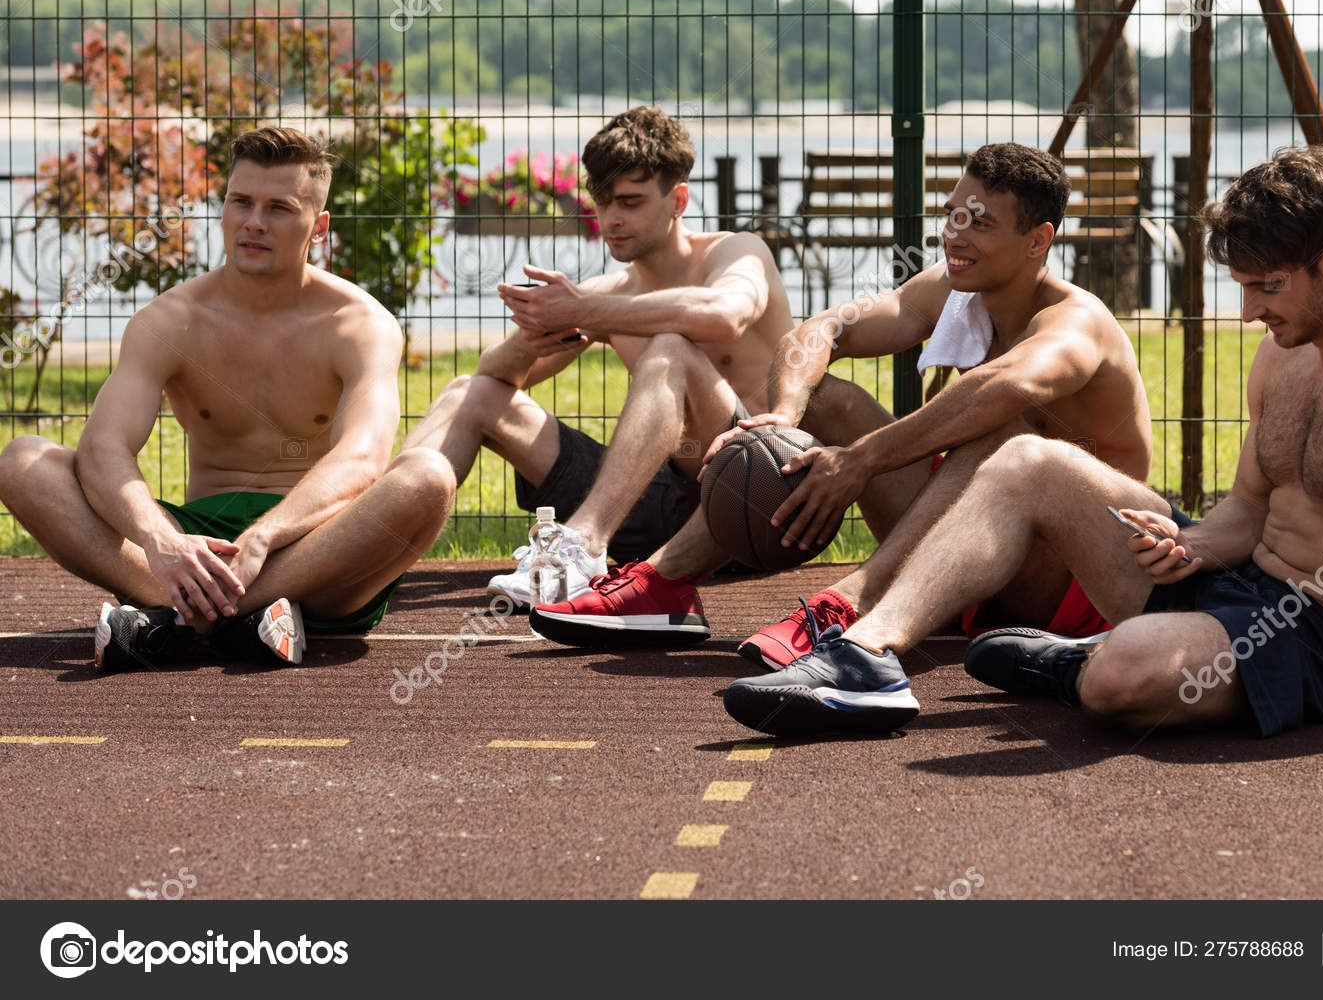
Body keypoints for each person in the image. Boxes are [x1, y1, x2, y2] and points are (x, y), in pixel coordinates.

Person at [722, 145, 1323, 736]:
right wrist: (1192, 544)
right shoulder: (1284, 353)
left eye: (1266, 287)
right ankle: (870, 656)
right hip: (1226, 581)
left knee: (1121, 680)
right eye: (1243, 288)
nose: (1250, 312)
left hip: (1309, 638)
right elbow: (1247, 507)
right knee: (1026, 458)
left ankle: (1087, 663)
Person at [544, 141, 1154, 663]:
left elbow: (1006, 387)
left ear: (1038, 241)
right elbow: (823, 330)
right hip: (971, 554)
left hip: (1071, 582)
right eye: (952, 216)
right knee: (825, 399)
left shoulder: (1076, 323)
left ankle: (849, 604)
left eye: (981, 224)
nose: (954, 236)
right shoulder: (952, 288)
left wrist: (860, 460)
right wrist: (782, 422)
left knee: (1004, 433)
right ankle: (665, 583)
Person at [0, 126, 457, 672]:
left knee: (427, 477)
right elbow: (103, 449)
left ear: (319, 228)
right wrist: (160, 540)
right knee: (23, 460)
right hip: (192, 546)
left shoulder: (359, 324)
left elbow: (362, 458)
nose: (254, 222)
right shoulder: (169, 321)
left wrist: (265, 537)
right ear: (223, 210)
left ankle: (178, 619)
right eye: (241, 202)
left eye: (280, 208)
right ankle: (240, 614)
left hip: (316, 550)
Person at [400, 106, 794, 642]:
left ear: (678, 200)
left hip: (745, 506)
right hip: (653, 510)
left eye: (630, 202)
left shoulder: (736, 252)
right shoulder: (610, 295)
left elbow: (727, 315)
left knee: (670, 347)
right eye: (602, 202)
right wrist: (533, 335)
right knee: (469, 391)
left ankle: (582, 547)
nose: (611, 220)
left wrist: (586, 310)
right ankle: (367, 548)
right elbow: (495, 378)